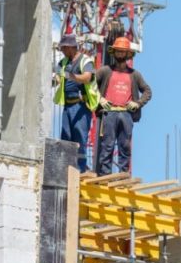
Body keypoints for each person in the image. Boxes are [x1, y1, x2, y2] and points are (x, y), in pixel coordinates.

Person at [94, 37, 151, 175]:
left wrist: (137, 103)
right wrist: (99, 99)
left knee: (124, 147)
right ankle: (104, 176)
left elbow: (147, 91)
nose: (120, 54)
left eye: (122, 52)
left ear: (127, 54)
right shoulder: (105, 71)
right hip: (109, 113)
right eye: (118, 51)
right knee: (107, 146)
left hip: (126, 114)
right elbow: (89, 84)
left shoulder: (134, 75)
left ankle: (123, 177)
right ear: (114, 53)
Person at [53, 34, 100, 172]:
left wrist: (70, 76)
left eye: (63, 48)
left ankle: (80, 168)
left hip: (81, 106)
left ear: (70, 47)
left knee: (80, 136)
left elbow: (87, 77)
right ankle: (65, 167)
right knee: (66, 136)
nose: (62, 51)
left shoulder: (85, 61)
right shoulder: (63, 63)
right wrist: (53, 79)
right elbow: (58, 77)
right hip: (68, 106)